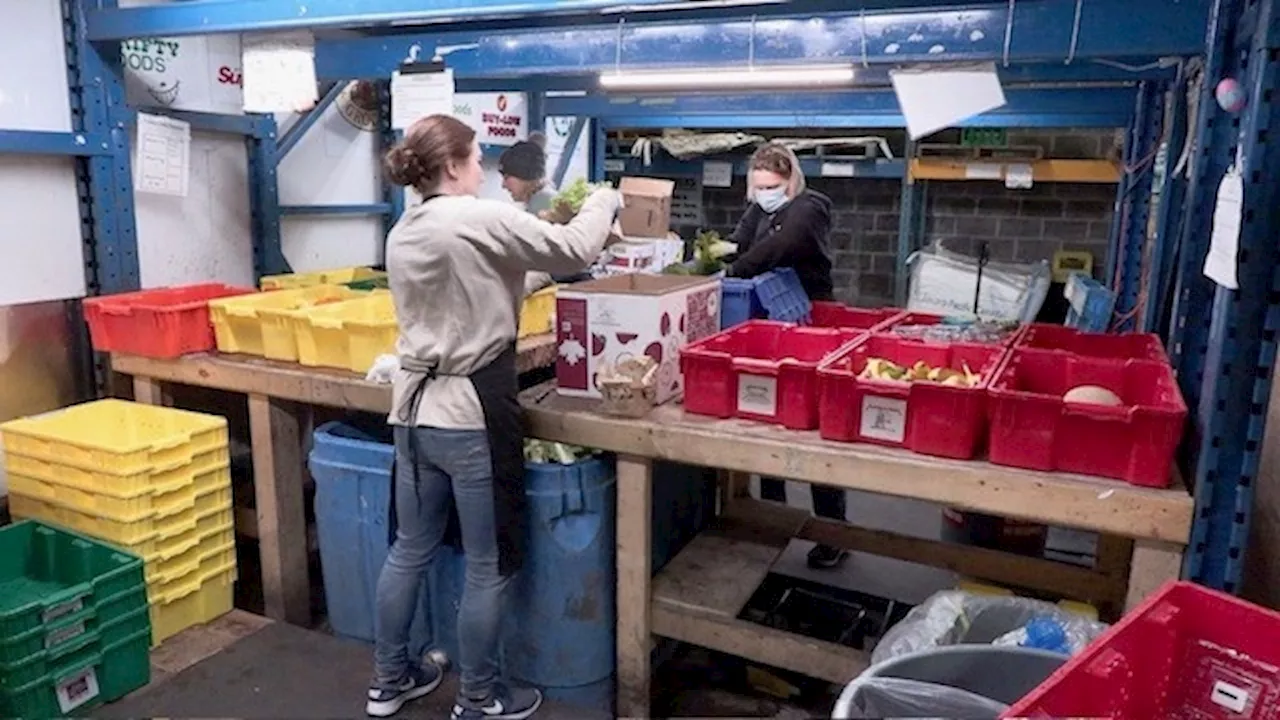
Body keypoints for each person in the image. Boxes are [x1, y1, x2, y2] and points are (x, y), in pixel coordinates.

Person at [368, 114, 621, 720]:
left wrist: (539, 259)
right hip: (472, 411)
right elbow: (576, 250)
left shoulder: (406, 229)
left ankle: (389, 680)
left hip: (412, 414)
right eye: (477, 157)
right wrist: (606, 200)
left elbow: (487, 282)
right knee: (489, 564)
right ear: (453, 164)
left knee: (410, 547)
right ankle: (480, 699)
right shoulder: (479, 216)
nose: (483, 168)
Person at [724, 142, 847, 570]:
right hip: (771, 322)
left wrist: (735, 269)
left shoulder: (810, 206)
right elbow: (740, 241)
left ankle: (834, 532)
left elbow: (784, 245)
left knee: (814, 426)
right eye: (757, 186)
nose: (764, 193)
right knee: (766, 418)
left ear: (791, 180)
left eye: (772, 186)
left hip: (811, 320)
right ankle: (774, 522)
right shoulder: (759, 207)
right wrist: (708, 256)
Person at [498, 133, 557, 215]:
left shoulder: (541, 204)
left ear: (525, 175)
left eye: (506, 177)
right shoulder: (540, 199)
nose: (503, 185)